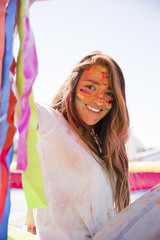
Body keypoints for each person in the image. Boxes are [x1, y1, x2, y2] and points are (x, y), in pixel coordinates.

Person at [25, 51, 131, 239]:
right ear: (73, 86)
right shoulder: (50, 123)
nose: (99, 100)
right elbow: (15, 99)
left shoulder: (100, 144)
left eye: (108, 93)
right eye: (90, 87)